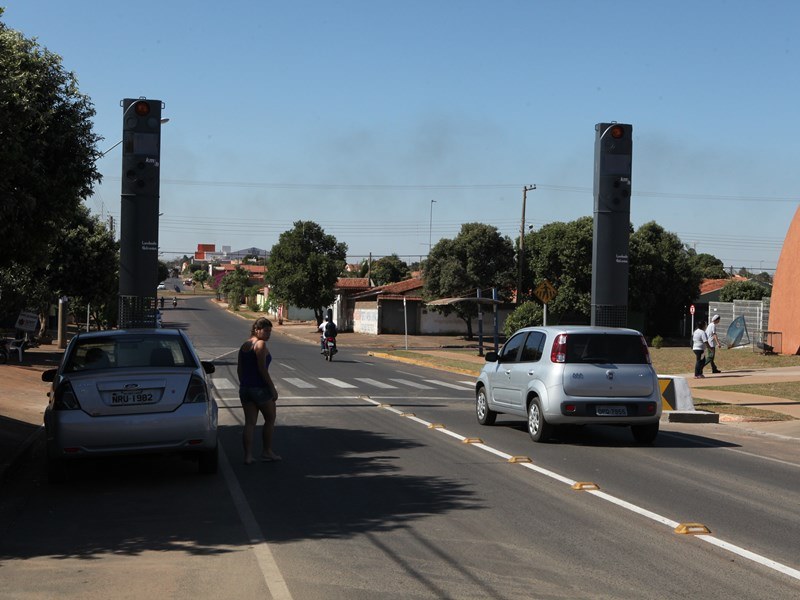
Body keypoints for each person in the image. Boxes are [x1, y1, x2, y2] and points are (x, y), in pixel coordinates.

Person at [237, 317, 281, 464]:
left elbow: (240, 369)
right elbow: (262, 369)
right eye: (266, 330)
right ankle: (267, 451)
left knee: (250, 423)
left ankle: (248, 456)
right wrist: (272, 388)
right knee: (270, 419)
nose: (268, 334)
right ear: (257, 330)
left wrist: (244, 384)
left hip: (245, 388)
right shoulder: (260, 344)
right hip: (260, 388)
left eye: (270, 331)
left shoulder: (245, 345)